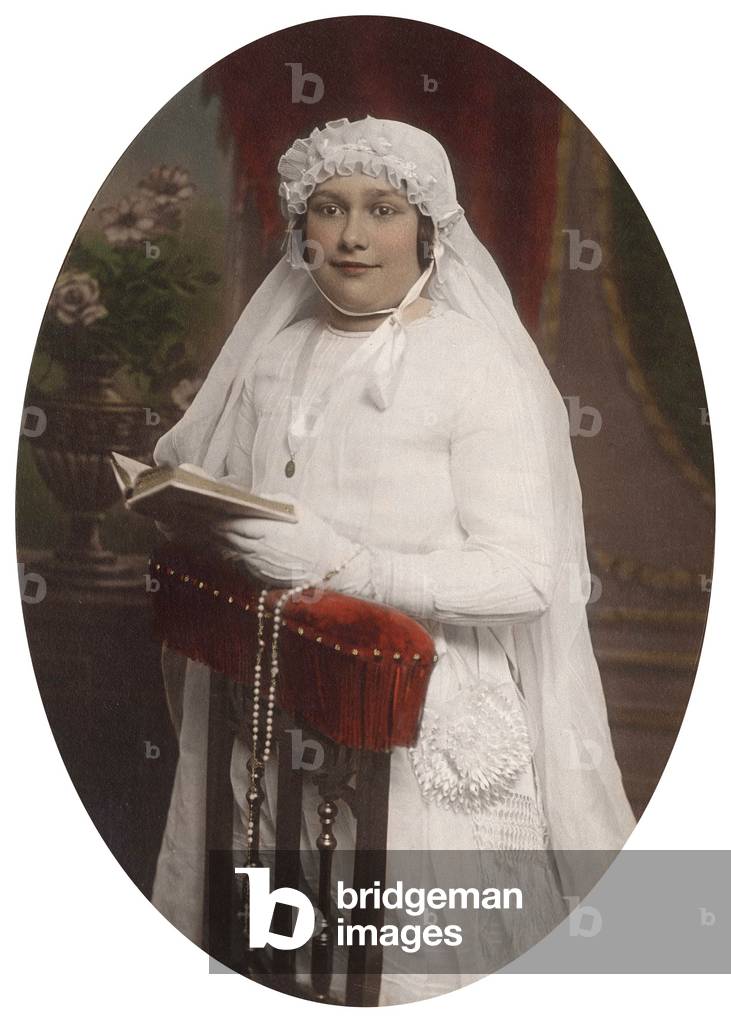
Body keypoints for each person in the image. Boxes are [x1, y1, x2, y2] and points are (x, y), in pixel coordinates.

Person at [150, 116, 637, 1003]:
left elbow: (527, 577)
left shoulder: (472, 364)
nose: (351, 235)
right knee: (276, 959)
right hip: (274, 708)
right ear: (300, 226)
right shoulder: (274, 358)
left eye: (381, 209)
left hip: (419, 714)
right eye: (328, 209)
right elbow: (248, 523)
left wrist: (351, 565)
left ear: (427, 229)